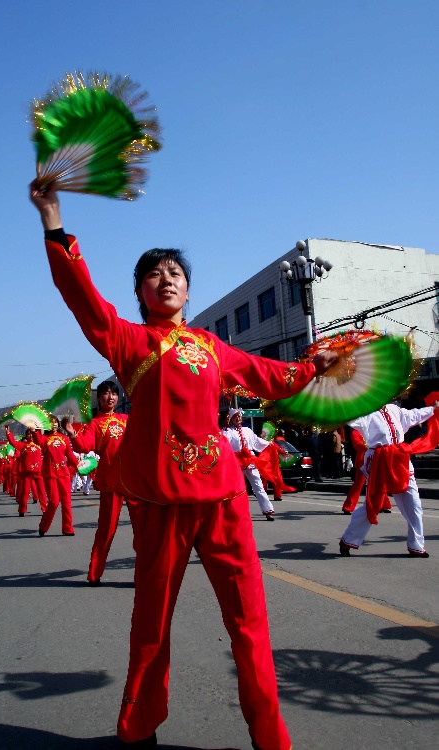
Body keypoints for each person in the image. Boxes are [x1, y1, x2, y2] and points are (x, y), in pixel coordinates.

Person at [30, 181, 337, 750]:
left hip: (223, 503)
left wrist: (314, 365)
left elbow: (272, 376)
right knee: (151, 628)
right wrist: (52, 216)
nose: (167, 278)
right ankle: (140, 727)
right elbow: (81, 296)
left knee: (250, 626)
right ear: (141, 294)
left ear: (188, 289)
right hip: (160, 507)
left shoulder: (212, 348)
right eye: (154, 273)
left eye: (176, 272)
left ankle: (271, 737)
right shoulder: (128, 341)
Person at [340, 401, 439, 558]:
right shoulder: (364, 412)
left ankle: (416, 546)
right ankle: (348, 539)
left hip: (399, 459)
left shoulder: (393, 409)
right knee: (373, 504)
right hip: (378, 461)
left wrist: (432, 409)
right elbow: (345, 417)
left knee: (414, 504)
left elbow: (412, 415)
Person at [65, 379, 135, 585]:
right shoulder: (94, 423)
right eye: (105, 393)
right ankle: (94, 573)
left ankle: (144, 574)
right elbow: (85, 445)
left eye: (114, 393)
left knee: (142, 530)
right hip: (111, 481)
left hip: (134, 481)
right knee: (106, 529)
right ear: (100, 397)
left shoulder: (126, 419)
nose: (110, 397)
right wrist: (73, 434)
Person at [223, 408, 278, 517]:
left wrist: (268, 444)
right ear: (231, 419)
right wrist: (225, 429)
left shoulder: (247, 430)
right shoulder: (229, 431)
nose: (238, 418)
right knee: (235, 487)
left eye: (239, 416)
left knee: (258, 486)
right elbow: (223, 442)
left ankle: (268, 510)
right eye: (235, 417)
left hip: (249, 460)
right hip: (236, 461)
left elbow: (257, 441)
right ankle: (232, 512)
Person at [34, 416, 79, 536]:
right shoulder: (44, 438)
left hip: (63, 474)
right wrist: (35, 430)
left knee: (66, 502)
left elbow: (69, 454)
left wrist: (78, 464)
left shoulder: (64, 438)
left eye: (55, 422)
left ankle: (68, 528)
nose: (53, 424)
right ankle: (44, 525)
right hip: (50, 474)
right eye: (50, 422)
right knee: (54, 502)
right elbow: (38, 441)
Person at [5, 426, 47, 516]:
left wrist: (37, 429)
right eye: (28, 434)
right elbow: (12, 442)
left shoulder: (39, 444)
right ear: (26, 436)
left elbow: (42, 437)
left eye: (31, 434)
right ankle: (22, 509)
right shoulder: (23, 445)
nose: (30, 436)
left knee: (42, 492)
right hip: (27, 473)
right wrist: (8, 432)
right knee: (25, 492)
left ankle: (44, 509)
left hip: (38, 472)